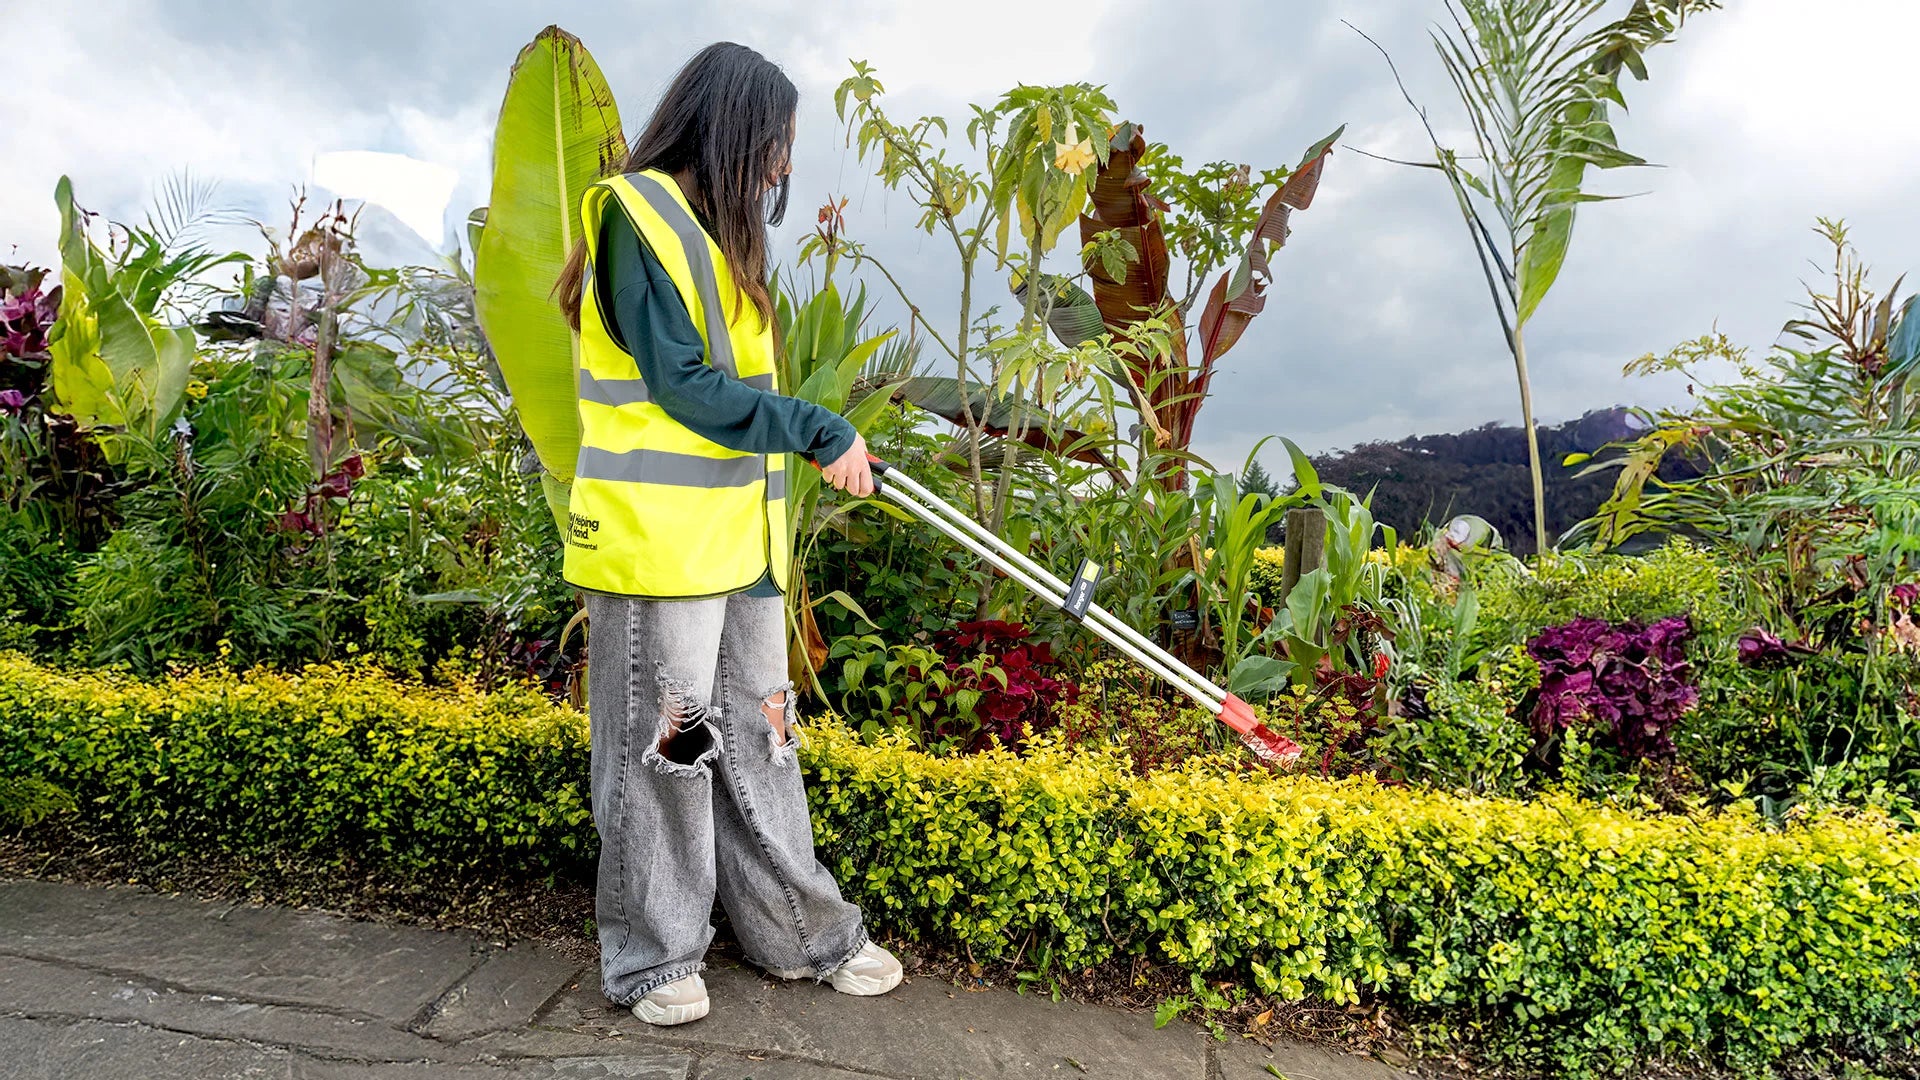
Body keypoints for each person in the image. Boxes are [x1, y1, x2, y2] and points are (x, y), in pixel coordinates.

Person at [553, 41, 899, 1027]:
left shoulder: (720, 240)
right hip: (658, 550)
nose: (786, 167)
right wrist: (818, 428)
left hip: (740, 545)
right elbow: (682, 386)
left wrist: (818, 443)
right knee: (671, 745)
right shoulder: (637, 219)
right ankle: (655, 958)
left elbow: (737, 392)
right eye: (780, 143)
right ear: (739, 126)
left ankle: (801, 933)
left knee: (767, 733)